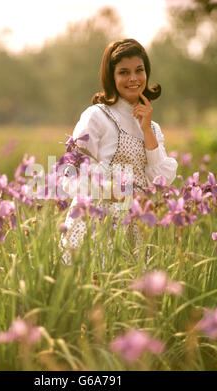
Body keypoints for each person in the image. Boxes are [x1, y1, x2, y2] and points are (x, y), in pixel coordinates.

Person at [58, 38, 178, 265]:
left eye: (139, 70)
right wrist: (114, 192)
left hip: (137, 228)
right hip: (96, 225)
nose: (133, 78)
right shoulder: (97, 116)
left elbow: (160, 179)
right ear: (111, 77)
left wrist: (146, 130)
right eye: (124, 72)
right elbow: (69, 178)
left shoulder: (152, 127)